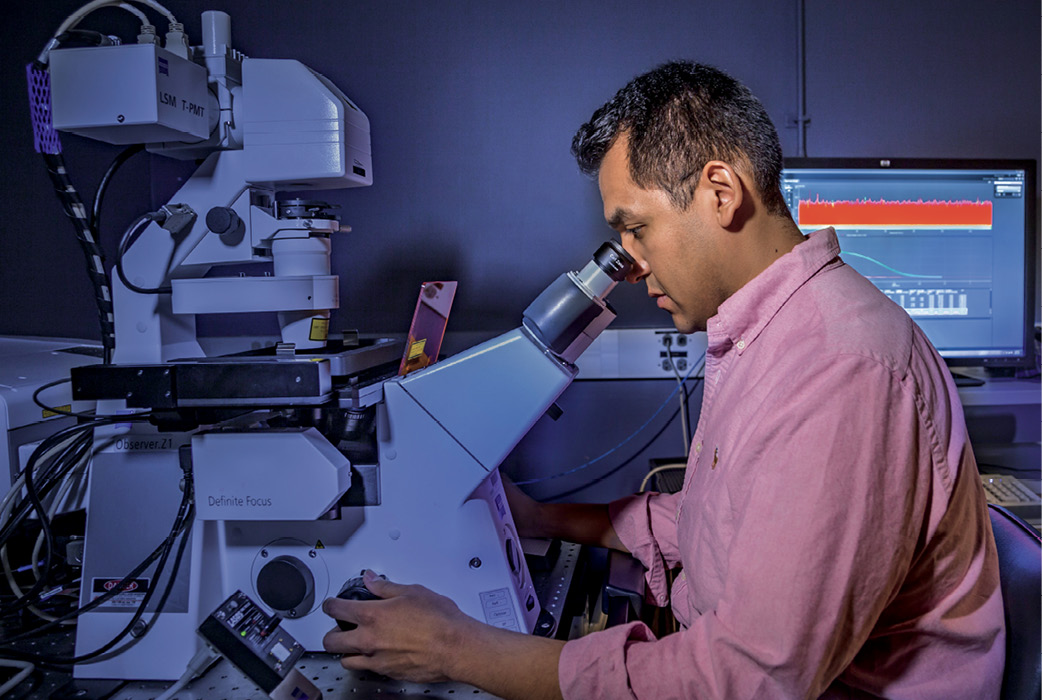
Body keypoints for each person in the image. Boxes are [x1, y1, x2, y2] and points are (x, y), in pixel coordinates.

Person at [322, 61, 1005, 699]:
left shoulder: (837, 368)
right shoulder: (773, 331)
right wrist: (545, 519)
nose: (633, 264)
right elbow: (726, 522)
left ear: (719, 192)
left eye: (637, 229)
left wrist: (456, 649)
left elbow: (748, 679)